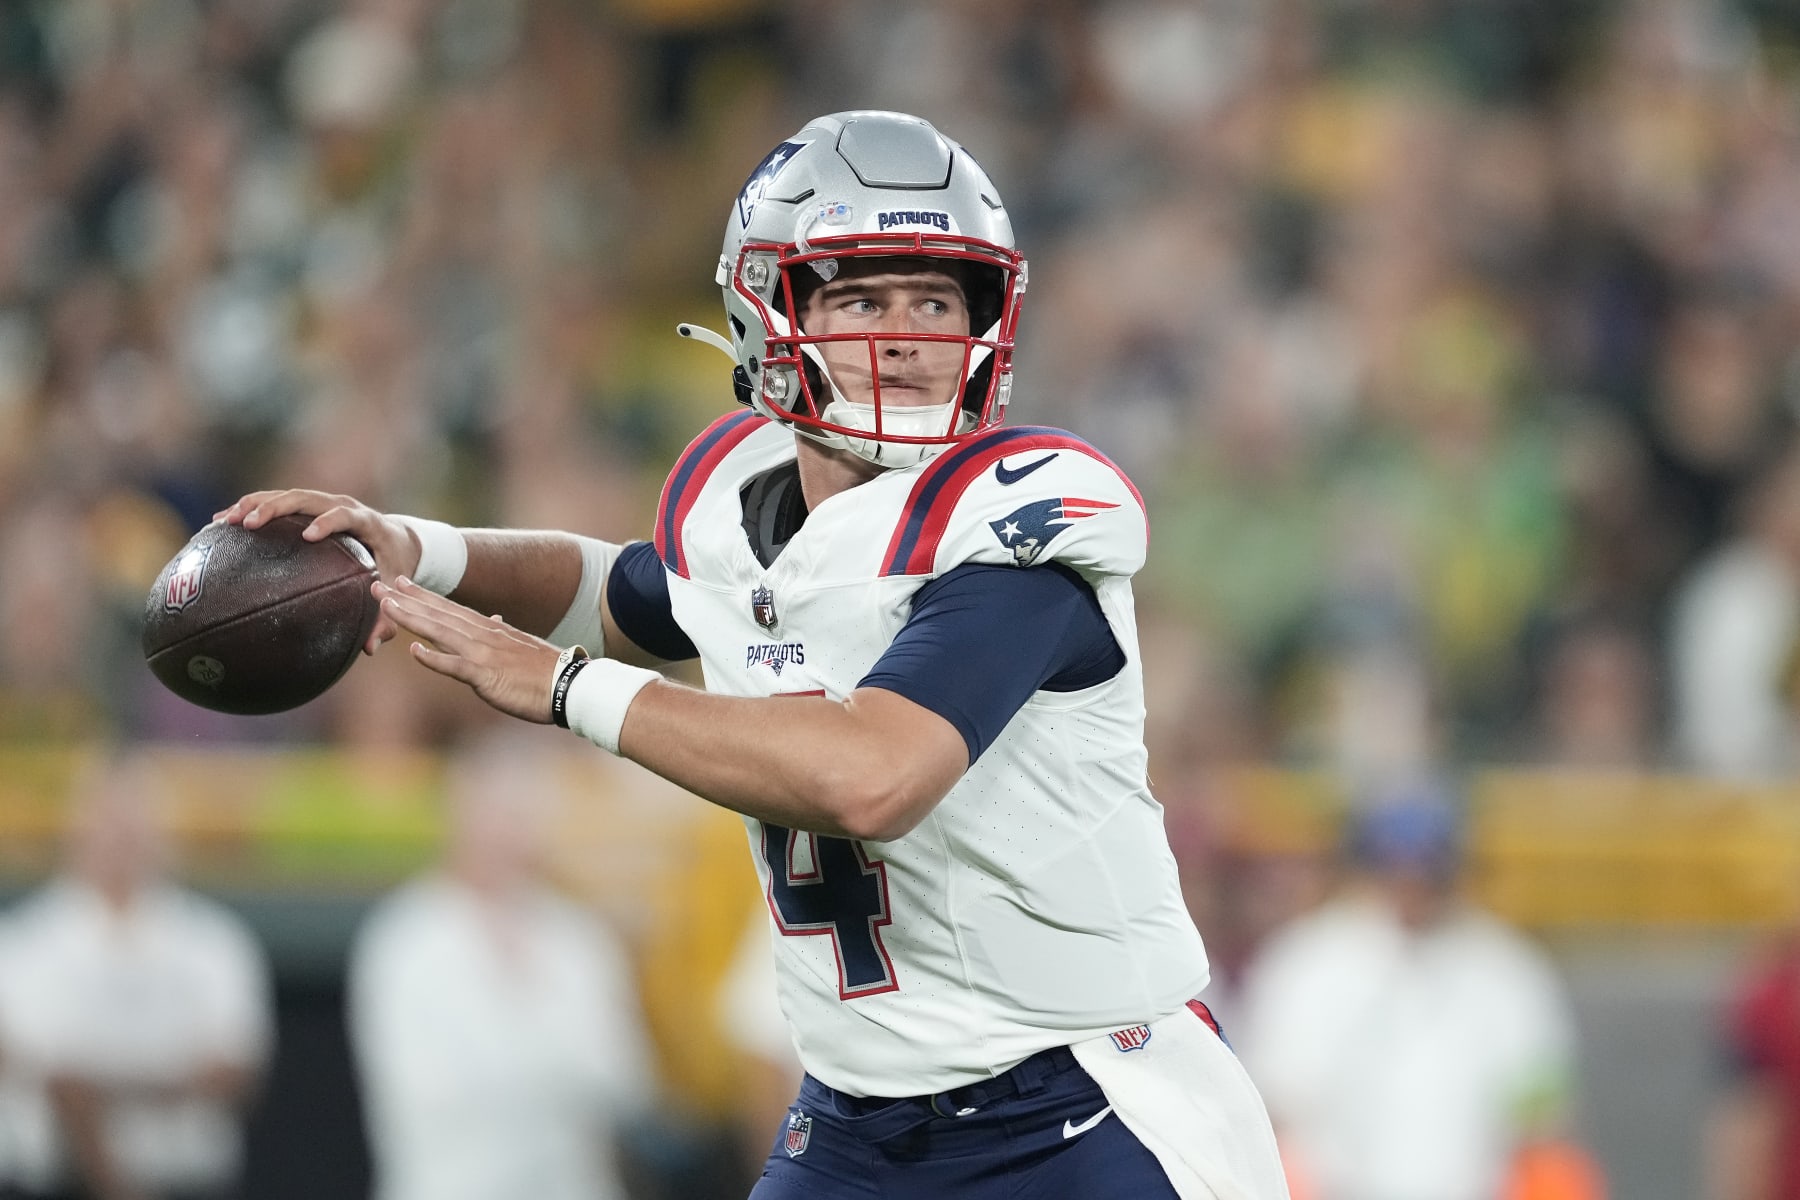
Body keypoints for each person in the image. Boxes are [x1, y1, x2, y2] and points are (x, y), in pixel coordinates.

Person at [219, 109, 1287, 1200]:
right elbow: (615, 589)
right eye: (863, 297)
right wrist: (419, 547)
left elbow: (873, 776)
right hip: (857, 1119)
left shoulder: (1017, 528)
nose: (908, 334)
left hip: (1083, 1108)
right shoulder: (740, 504)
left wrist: (561, 687)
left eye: (935, 299)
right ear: (767, 315)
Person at [1232, 784, 1599, 1200]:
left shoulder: (1507, 969)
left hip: (1475, 1189)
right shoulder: (1306, 962)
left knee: (1559, 1173)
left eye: (1427, 868)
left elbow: (1541, 1115)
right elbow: (1275, 1108)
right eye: (1395, 867)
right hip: (1334, 1190)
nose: (1411, 884)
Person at [346, 734, 655, 1200]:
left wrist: (523, 1069)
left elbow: (626, 1080)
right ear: (457, 817)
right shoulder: (403, 939)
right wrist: (558, 1072)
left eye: (523, 815)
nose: (507, 833)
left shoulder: (579, 937)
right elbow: (424, 1092)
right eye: (495, 813)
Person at [0, 751, 272, 1200]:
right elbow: (43, 1075)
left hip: (190, 1181)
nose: (118, 837)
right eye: (103, 818)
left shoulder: (213, 939)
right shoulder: (22, 944)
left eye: (132, 819)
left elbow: (234, 1070)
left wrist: (99, 1083)